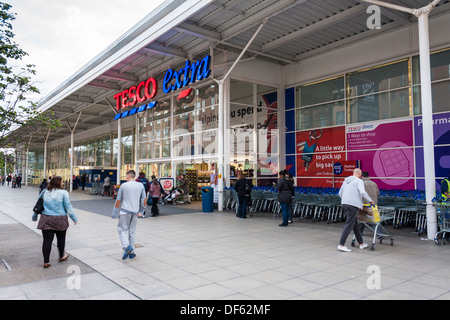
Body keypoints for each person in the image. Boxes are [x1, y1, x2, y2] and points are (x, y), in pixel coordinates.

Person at [35, 176, 78, 268]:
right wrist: (74, 218)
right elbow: (68, 207)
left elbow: (38, 204)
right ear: (59, 183)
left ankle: (46, 262)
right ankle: (61, 256)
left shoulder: (44, 191)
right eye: (62, 181)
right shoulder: (63, 193)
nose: (62, 183)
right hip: (60, 219)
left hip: (46, 218)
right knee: (61, 239)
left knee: (47, 240)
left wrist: (34, 216)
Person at [112, 170, 146, 260]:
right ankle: (132, 252)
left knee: (122, 230)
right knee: (132, 232)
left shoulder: (124, 185)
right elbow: (144, 199)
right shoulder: (140, 185)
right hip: (135, 212)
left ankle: (127, 247)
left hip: (124, 211)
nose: (125, 178)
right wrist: (142, 211)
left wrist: (115, 213)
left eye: (126, 176)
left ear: (129, 176)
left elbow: (118, 200)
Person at [338, 168, 374, 252]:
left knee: (354, 224)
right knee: (349, 224)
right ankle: (341, 244)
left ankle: (361, 243)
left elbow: (340, 193)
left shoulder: (346, 180)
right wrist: (370, 200)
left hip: (345, 203)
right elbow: (362, 192)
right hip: (353, 205)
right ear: (360, 174)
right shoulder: (359, 181)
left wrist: (346, 200)